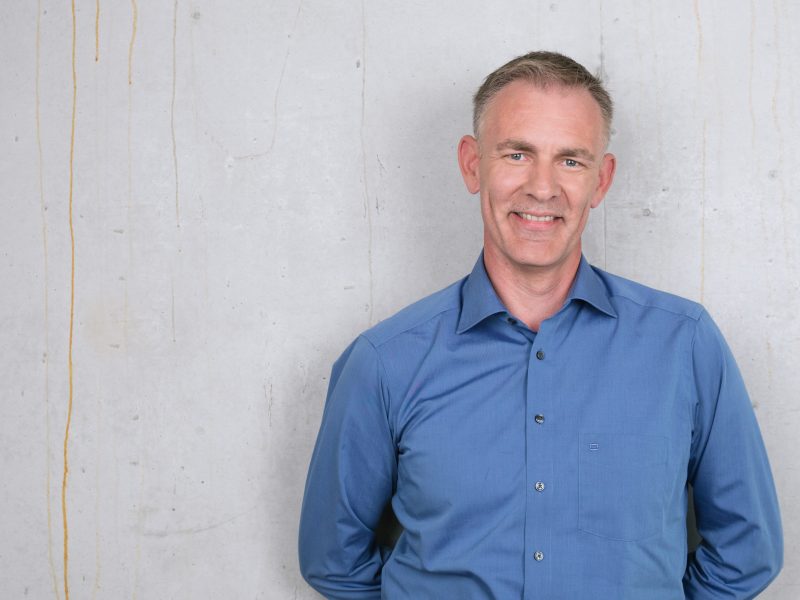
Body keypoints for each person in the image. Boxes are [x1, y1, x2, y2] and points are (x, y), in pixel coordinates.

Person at [298, 51, 783, 599]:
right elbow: (333, 560)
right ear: (472, 164)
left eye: (570, 161)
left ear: (601, 180)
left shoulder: (684, 345)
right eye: (517, 154)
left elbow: (746, 552)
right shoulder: (385, 362)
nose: (543, 188)